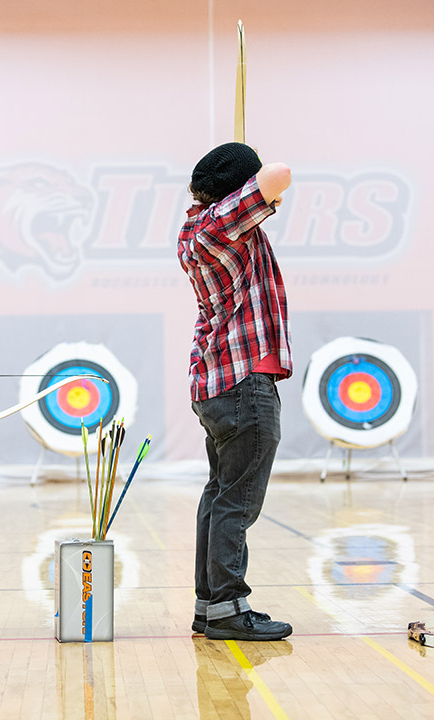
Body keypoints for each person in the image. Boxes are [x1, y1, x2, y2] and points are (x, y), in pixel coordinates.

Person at [177, 143, 294, 641]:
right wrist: (258, 181)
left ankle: (210, 605)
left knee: (219, 493)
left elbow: (265, 191)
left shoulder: (196, 228)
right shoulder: (222, 222)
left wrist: (258, 196)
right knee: (236, 501)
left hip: (216, 381)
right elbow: (279, 173)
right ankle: (228, 605)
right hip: (244, 379)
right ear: (235, 192)